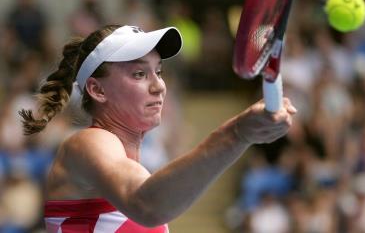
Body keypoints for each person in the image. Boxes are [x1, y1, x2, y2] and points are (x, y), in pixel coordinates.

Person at [18, 24, 297, 232]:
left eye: (158, 71)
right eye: (139, 73)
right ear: (97, 89)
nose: (159, 85)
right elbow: (147, 206)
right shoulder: (87, 143)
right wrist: (237, 134)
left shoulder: (137, 172)